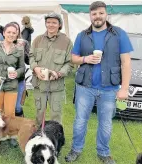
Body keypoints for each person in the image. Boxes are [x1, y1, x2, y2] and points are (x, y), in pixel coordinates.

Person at [65, 2, 133, 164]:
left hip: (109, 89)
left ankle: (103, 152)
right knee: (80, 120)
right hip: (84, 87)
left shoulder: (119, 34)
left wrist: (124, 88)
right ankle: (76, 149)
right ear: (90, 16)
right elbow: (73, 58)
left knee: (106, 123)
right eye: (94, 14)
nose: (97, 16)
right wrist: (85, 59)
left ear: (106, 14)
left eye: (101, 13)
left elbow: (126, 63)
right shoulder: (82, 35)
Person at [29, 12, 73, 126]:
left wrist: (59, 73)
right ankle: (39, 138)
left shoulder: (66, 42)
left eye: (54, 22)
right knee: (39, 113)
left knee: (56, 115)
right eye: (48, 22)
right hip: (39, 84)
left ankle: (55, 140)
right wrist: (36, 68)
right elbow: (31, 56)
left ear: (59, 25)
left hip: (56, 86)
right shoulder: (38, 40)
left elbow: (70, 63)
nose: (51, 25)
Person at [0, 23, 25, 147]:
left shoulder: (19, 50)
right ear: (4, 33)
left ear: (17, 34)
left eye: (14, 33)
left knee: (10, 113)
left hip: (11, 86)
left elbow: (22, 67)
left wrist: (17, 73)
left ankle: (11, 135)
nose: (11, 34)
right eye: (9, 32)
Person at [11, 21, 30, 117]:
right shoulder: (3, 43)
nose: (13, 32)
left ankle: (21, 124)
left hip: (20, 79)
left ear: (18, 31)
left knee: (17, 106)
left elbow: (29, 61)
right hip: (7, 80)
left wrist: (23, 51)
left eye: (16, 29)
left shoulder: (24, 43)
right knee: (8, 106)